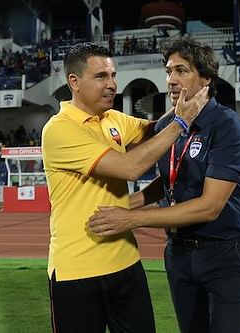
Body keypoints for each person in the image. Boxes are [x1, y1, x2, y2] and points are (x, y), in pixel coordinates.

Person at [88, 38, 240, 333]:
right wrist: (130, 202)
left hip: (224, 254)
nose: (171, 80)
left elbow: (210, 206)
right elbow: (169, 181)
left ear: (205, 78)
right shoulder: (171, 126)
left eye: (182, 71)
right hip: (178, 254)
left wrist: (130, 218)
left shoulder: (227, 125)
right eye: (168, 72)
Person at [41, 42, 208, 333]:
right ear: (74, 82)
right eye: (101, 77)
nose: (112, 85)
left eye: (113, 75)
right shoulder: (59, 129)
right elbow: (129, 167)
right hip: (76, 272)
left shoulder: (114, 119)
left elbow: (156, 129)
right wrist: (182, 120)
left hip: (126, 263)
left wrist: (193, 102)